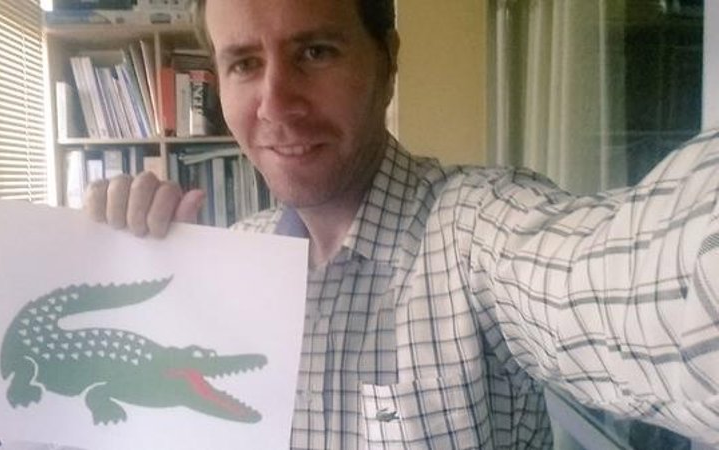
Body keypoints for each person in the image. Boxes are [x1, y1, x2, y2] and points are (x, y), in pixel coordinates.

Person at [85, 0, 719, 448]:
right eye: (244, 63)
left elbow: (638, 283)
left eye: (315, 51)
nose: (276, 104)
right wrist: (112, 270)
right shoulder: (222, 265)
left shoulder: (475, 233)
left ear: (386, 63)